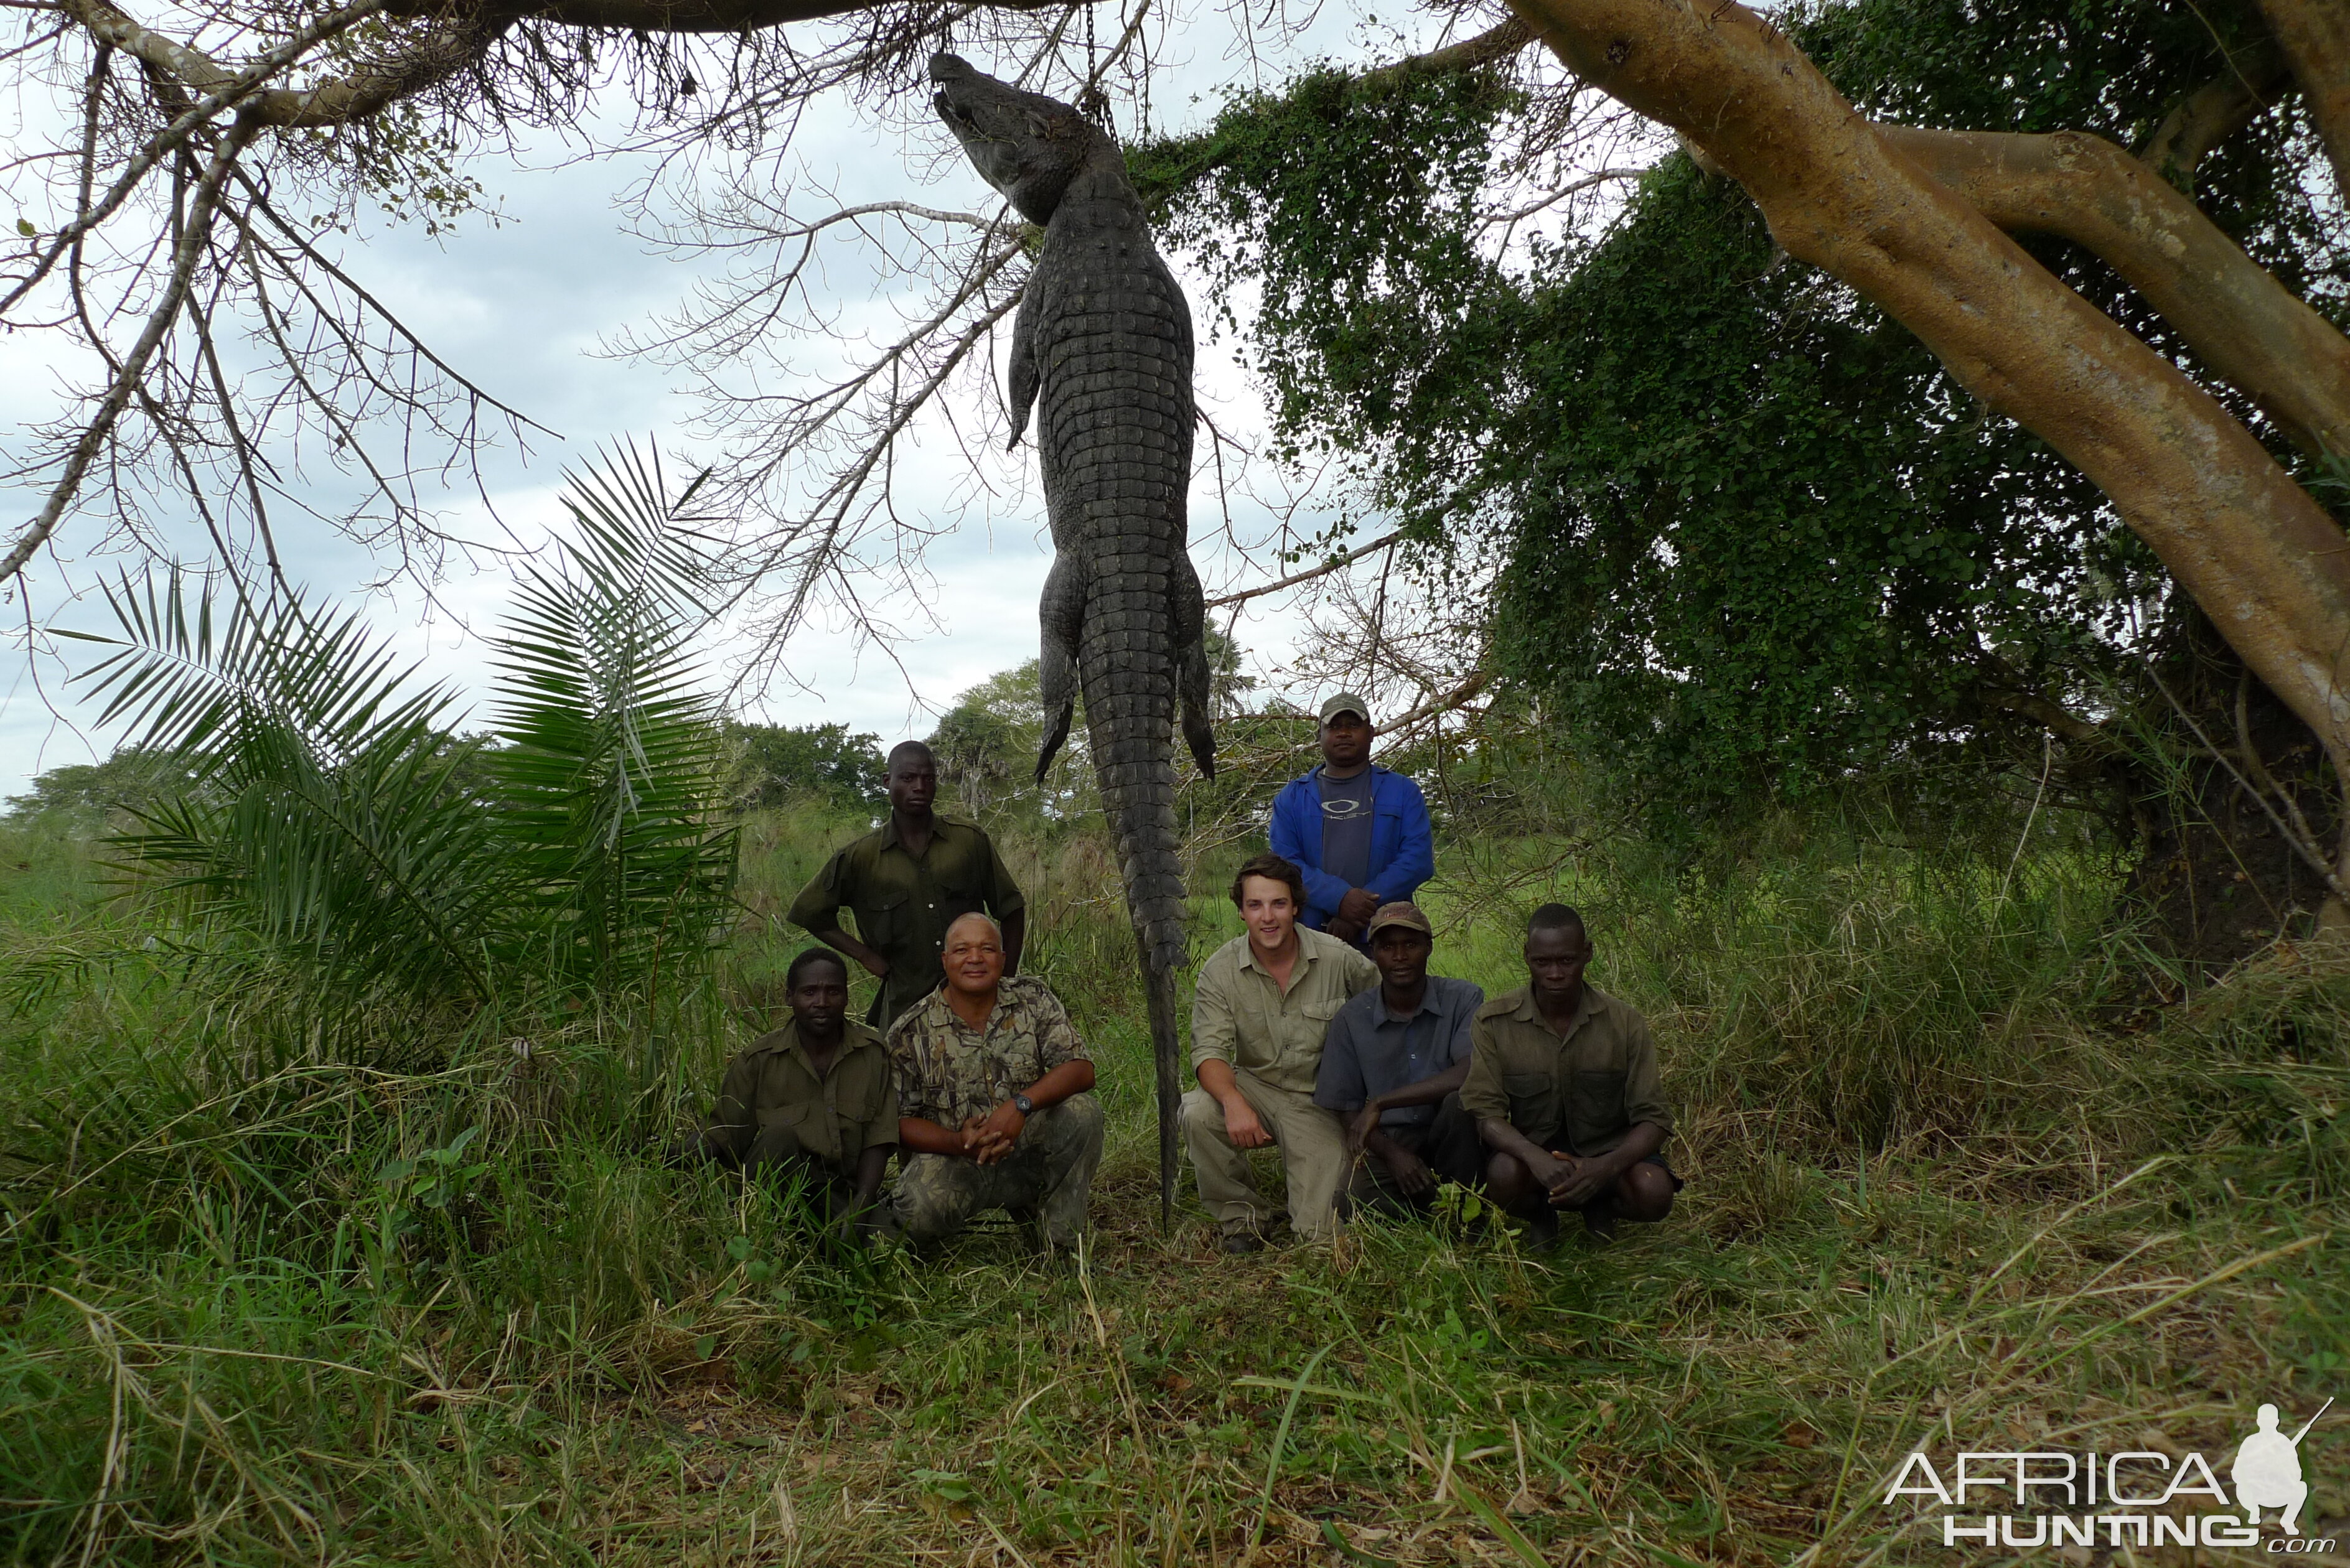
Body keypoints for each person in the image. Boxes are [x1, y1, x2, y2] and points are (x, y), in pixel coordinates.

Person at [1184, 852, 1377, 1251]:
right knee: (1198, 1112)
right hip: (1254, 1084)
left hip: (1318, 1100)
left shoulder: (1338, 958)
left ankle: (1312, 1206)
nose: (1267, 917)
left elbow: (1385, 1011)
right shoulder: (1219, 971)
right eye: (1255, 905)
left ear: (1296, 908)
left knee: (1320, 1240)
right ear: (1241, 912)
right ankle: (1242, 1220)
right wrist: (1233, 1101)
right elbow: (1209, 1052)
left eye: (1278, 904)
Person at [1461, 903, 1680, 1247]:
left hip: (1608, 1153)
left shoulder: (1624, 1023)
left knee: (1654, 1191)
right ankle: (1540, 1215)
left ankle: (1601, 1205)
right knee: (1503, 1174)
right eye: (1542, 962)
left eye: (1567, 961)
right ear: (1526, 957)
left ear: (1587, 953)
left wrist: (1605, 1168)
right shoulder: (1494, 1023)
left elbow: (1654, 1118)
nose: (1555, 974)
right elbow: (1485, 1114)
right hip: (1535, 1155)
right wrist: (1534, 1158)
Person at [888, 912, 1104, 1253]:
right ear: (945, 961)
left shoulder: (1032, 999)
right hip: (954, 1159)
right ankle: (934, 1248)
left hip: (1026, 1149)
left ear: (1003, 960)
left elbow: (1081, 1069)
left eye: (987, 949)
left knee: (1082, 1113)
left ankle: (1059, 1243)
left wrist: (1020, 1106)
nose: (975, 959)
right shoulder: (911, 1029)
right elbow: (897, 1121)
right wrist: (957, 1142)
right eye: (962, 950)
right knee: (915, 1214)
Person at [788, 740, 1028, 1032]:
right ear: (887, 782)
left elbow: (1012, 908)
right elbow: (808, 911)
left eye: (928, 779)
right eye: (908, 778)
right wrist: (865, 955)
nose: (919, 787)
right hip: (906, 1008)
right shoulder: (861, 857)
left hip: (977, 1003)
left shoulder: (968, 842)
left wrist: (1004, 979)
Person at [686, 947, 896, 1240]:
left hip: (838, 1195)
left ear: (847, 997)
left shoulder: (873, 1055)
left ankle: (823, 1245)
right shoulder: (758, 1061)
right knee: (778, 1138)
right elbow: (722, 1139)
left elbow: (879, 1139)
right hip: (774, 1195)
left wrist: (861, 1206)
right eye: (809, 992)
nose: (821, 1003)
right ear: (789, 998)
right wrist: (664, 1158)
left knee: (892, 1246)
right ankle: (766, 1239)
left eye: (833, 992)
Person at [1312, 901, 1484, 1216]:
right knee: (1354, 1202)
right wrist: (1393, 1155)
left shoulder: (1464, 998)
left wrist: (1380, 1103)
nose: (1400, 957)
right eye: (1388, 947)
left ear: (1429, 948)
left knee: (1461, 1103)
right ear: (1374, 952)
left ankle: (1465, 1212)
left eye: (1411, 945)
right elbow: (1348, 1109)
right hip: (1394, 1138)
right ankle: (1431, 1207)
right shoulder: (1352, 1018)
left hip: (1453, 1134)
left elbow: (1469, 1072)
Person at [1267, 694, 1435, 946]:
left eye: (1353, 726)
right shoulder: (1291, 798)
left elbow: (1417, 861)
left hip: (1386, 940)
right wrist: (1339, 899)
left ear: (1370, 733)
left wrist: (1358, 908)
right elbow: (1284, 865)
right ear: (1319, 735)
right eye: (1334, 727)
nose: (1344, 733)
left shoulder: (1403, 791)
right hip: (1312, 938)